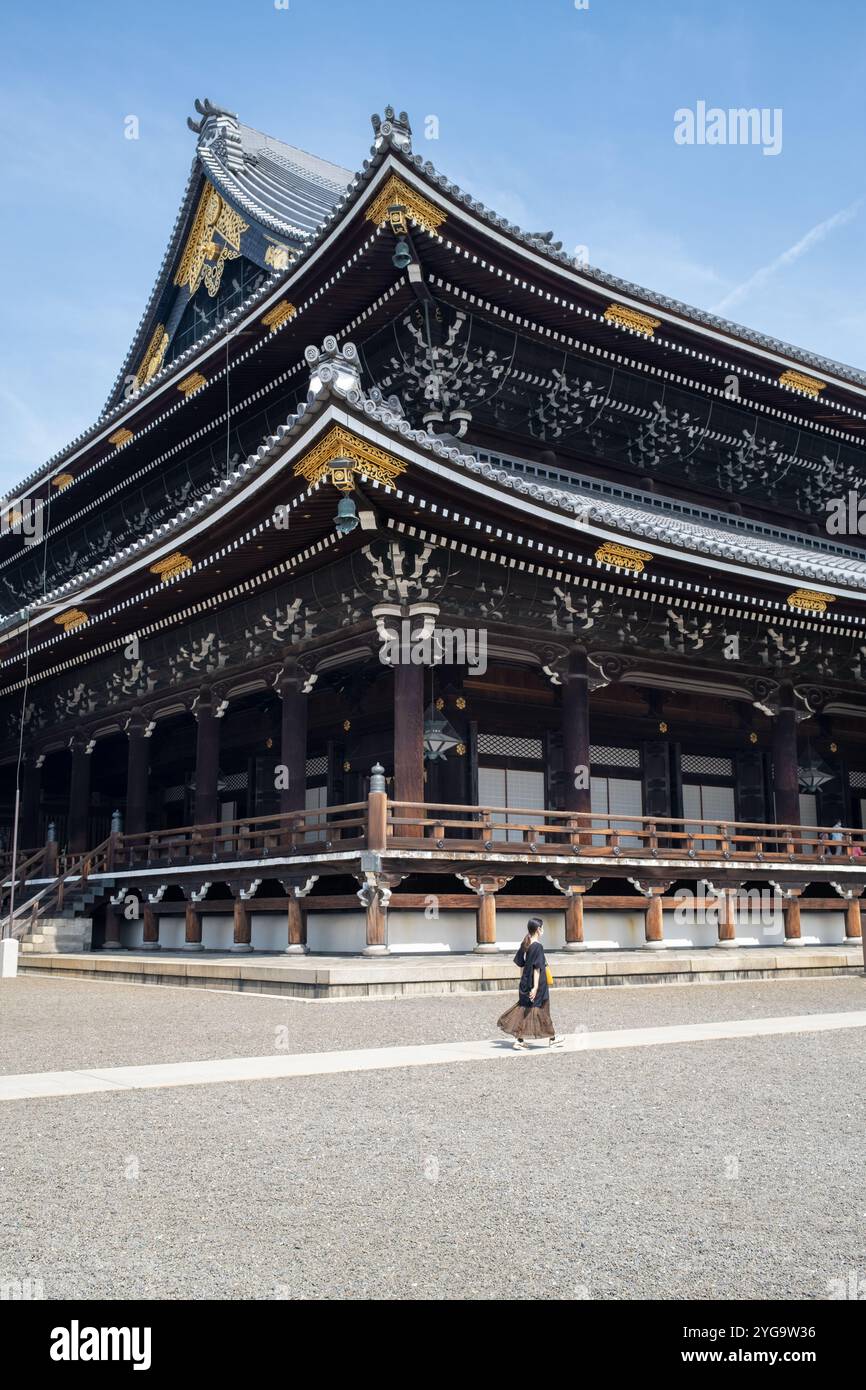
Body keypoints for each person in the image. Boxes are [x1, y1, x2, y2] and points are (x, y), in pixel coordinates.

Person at [497, 917, 562, 1050]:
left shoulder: (525, 943)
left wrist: (524, 982)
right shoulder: (537, 946)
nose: (543, 930)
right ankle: (548, 1039)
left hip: (525, 981)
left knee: (526, 1009)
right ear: (538, 929)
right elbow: (537, 968)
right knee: (541, 1009)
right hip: (537, 984)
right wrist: (535, 987)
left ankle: (540, 1038)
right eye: (542, 928)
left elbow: (520, 964)